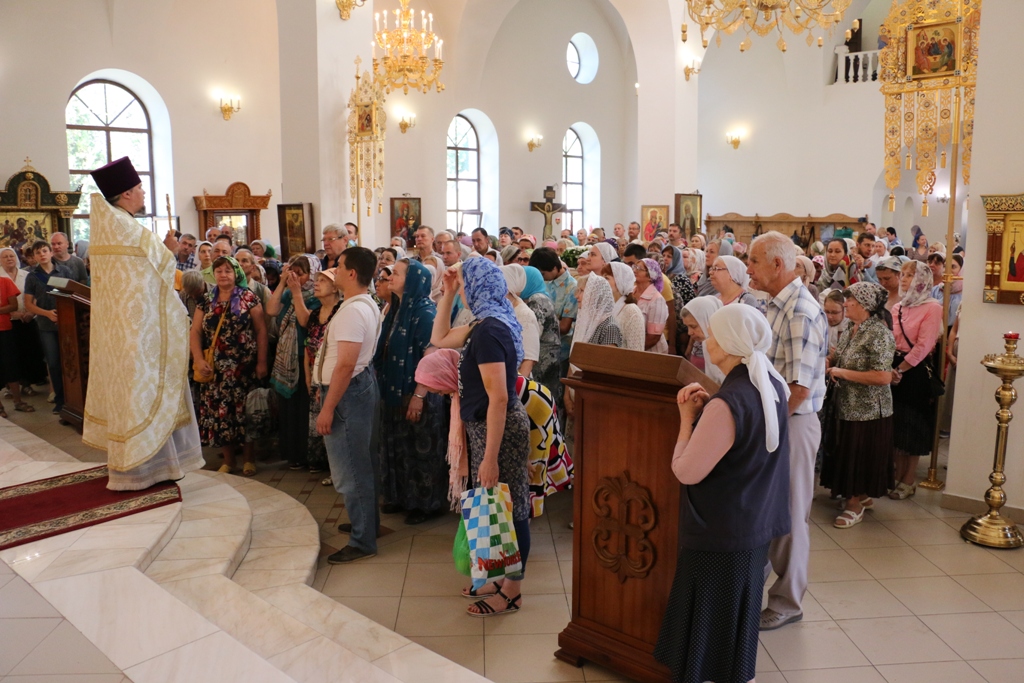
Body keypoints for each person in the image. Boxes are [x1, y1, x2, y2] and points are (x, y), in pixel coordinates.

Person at [654, 304, 791, 683]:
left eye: (712, 334)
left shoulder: (728, 402)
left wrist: (686, 421)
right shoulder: (771, 385)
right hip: (753, 524)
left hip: (720, 533)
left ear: (729, 344)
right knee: (734, 624)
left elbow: (686, 470)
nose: (706, 340)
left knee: (707, 627)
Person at [83, 156, 205, 490]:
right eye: (139, 188)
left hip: (124, 333)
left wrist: (163, 252)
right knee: (146, 394)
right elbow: (153, 272)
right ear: (125, 194)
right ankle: (144, 471)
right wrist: (168, 250)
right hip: (139, 334)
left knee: (138, 397)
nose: (143, 193)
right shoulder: (127, 229)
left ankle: (155, 466)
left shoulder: (111, 225)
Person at [429, 258, 531, 615]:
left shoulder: (488, 332)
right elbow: (439, 339)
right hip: (487, 425)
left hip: (498, 429)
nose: (462, 292)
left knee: (512, 507)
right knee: (495, 505)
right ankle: (500, 577)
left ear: (476, 287)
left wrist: (489, 458)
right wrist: (448, 292)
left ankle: (513, 591)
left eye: (463, 285)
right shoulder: (485, 323)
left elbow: (499, 397)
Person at [747, 231, 827, 631]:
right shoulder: (775, 303)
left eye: (753, 261)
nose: (748, 269)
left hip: (791, 423)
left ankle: (787, 602)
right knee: (768, 510)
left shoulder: (800, 311)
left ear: (777, 264)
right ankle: (752, 589)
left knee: (791, 515)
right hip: (777, 419)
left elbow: (798, 389)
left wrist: (767, 431)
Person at [314, 247, 383, 563]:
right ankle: (366, 524)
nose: (334, 271)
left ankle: (363, 540)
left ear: (352, 273)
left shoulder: (353, 311)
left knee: (351, 470)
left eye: (339, 266)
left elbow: (345, 364)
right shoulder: (363, 303)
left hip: (347, 392)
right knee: (361, 463)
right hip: (356, 387)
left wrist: (328, 408)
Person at [374, 258, 448, 525]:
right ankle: (401, 497)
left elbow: (432, 357)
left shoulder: (425, 312)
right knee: (399, 446)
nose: (390, 277)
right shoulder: (397, 308)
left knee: (421, 450)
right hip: (395, 391)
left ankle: (425, 503)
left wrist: (418, 396)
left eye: (397, 273)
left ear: (414, 280)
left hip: (419, 393)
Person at [823, 283, 896, 528]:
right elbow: (838, 356)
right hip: (847, 404)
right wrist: (828, 361)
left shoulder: (879, 333)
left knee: (858, 455)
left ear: (864, 305)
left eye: (850, 300)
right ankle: (860, 495)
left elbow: (883, 376)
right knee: (847, 452)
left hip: (869, 410)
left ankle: (854, 504)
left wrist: (842, 372)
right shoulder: (852, 328)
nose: (845, 304)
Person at [191, 255, 269, 476]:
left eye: (228, 270)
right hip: (215, 369)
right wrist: (198, 359)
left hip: (244, 367)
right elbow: (195, 331)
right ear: (213, 274)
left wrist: (262, 361)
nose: (223, 275)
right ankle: (228, 460)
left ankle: (249, 459)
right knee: (221, 414)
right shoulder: (206, 300)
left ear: (236, 274)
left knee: (246, 412)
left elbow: (261, 330)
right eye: (219, 271)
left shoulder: (249, 297)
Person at [889, 260, 944, 500]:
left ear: (922, 279)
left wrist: (900, 369)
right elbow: (891, 339)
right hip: (893, 367)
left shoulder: (933, 307)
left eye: (910, 275)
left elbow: (924, 345)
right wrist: (890, 369)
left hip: (915, 371)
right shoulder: (898, 307)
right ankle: (896, 475)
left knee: (913, 427)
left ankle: (908, 479)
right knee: (896, 425)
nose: (903, 279)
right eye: (902, 274)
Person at [266, 254, 321, 469]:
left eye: (301, 274)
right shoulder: (288, 293)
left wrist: (297, 293)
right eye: (293, 273)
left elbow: (305, 321)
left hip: (306, 357)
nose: (295, 278)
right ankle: (293, 454)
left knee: (304, 407)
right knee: (289, 407)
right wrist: (282, 283)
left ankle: (308, 456)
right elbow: (271, 310)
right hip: (286, 357)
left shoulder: (317, 295)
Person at [23, 240, 73, 416]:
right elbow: (28, 304)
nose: (42, 254)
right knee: (53, 363)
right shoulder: (32, 276)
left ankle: (74, 399)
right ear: (34, 257)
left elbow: (74, 294)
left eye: (45, 251)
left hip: (67, 323)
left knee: (71, 361)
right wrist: (47, 313)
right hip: (46, 325)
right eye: (38, 253)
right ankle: (60, 400)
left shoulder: (65, 271)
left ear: (51, 253)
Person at [303, 268, 342, 481]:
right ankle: (325, 465)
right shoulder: (314, 313)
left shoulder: (341, 312)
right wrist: (308, 375)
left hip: (332, 377)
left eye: (323, 280)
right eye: (316, 280)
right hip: (315, 374)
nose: (316, 283)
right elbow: (307, 344)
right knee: (319, 422)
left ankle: (337, 471)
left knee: (334, 424)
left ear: (335, 287)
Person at [0, 246, 46, 393]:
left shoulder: (26, 275)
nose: (9, 259)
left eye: (11, 256)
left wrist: (31, 312)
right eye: (5, 256)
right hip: (7, 321)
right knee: (10, 355)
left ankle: (27, 384)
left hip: (27, 319)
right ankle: (11, 386)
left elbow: (36, 295)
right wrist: (14, 313)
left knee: (28, 352)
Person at [520, 265, 561, 400]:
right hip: (546, 355)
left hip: (543, 358)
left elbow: (533, 331)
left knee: (542, 399)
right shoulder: (539, 296)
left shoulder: (537, 299)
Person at [501, 264, 541, 377]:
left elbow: (529, 359)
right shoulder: (502, 309)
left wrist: (517, 385)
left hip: (515, 379)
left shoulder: (524, 314)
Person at [601, 262, 645, 352]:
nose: (601, 282)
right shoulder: (605, 307)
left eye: (606, 278)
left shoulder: (632, 312)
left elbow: (636, 351)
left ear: (620, 282)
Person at [680, 297, 725, 384]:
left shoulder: (730, 346)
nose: (689, 333)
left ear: (708, 320)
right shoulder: (706, 342)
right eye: (687, 327)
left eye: (693, 326)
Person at [572, 275, 623, 348]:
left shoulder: (610, 327)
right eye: (578, 291)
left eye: (582, 291)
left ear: (596, 294)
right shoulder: (585, 322)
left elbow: (608, 355)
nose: (576, 296)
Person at [632, 258, 670, 354]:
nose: (635, 270)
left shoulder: (657, 300)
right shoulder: (630, 291)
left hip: (652, 353)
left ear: (650, 276)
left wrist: (633, 351)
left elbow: (653, 337)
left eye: (639, 268)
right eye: (635, 267)